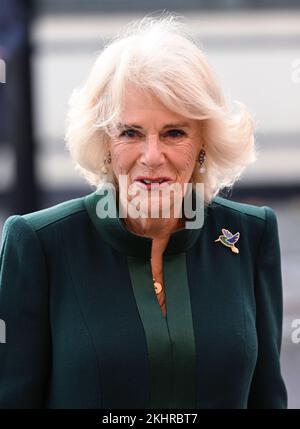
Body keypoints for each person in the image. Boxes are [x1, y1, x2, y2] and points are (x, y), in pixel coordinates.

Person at [0, 13, 287, 409]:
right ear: (104, 141)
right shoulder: (39, 244)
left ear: (205, 141)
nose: (152, 156)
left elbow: (267, 396)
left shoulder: (250, 235)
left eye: (174, 133)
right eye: (130, 133)